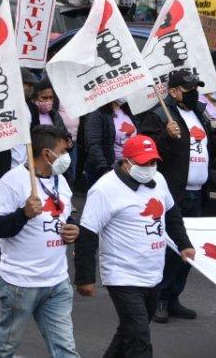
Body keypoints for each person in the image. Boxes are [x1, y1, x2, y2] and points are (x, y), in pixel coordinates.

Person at [74, 134, 195, 357]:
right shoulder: (104, 189)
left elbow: (172, 213)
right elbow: (88, 234)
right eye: (143, 163)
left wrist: (184, 244)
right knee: (139, 339)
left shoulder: (158, 179)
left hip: (153, 272)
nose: (150, 167)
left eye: (153, 161)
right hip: (123, 276)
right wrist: (85, 277)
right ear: (126, 161)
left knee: (130, 332)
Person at [0, 125, 80, 358]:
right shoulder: (12, 182)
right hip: (21, 283)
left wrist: (73, 229)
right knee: (5, 347)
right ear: (47, 154)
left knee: (65, 349)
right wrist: (23, 214)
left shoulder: (60, 181)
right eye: (63, 151)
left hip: (57, 282)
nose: (67, 156)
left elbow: (66, 214)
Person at [146, 70, 216, 323]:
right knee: (173, 248)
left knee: (188, 251)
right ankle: (159, 298)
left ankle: (173, 297)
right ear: (172, 91)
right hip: (175, 194)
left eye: (195, 87)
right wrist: (165, 135)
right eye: (188, 88)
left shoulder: (198, 114)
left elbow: (204, 148)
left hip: (197, 193)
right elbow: (146, 149)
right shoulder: (161, 115)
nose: (193, 92)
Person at [84, 99, 140, 188]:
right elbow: (94, 144)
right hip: (108, 170)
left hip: (129, 168)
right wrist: (105, 170)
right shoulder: (96, 114)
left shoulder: (128, 110)